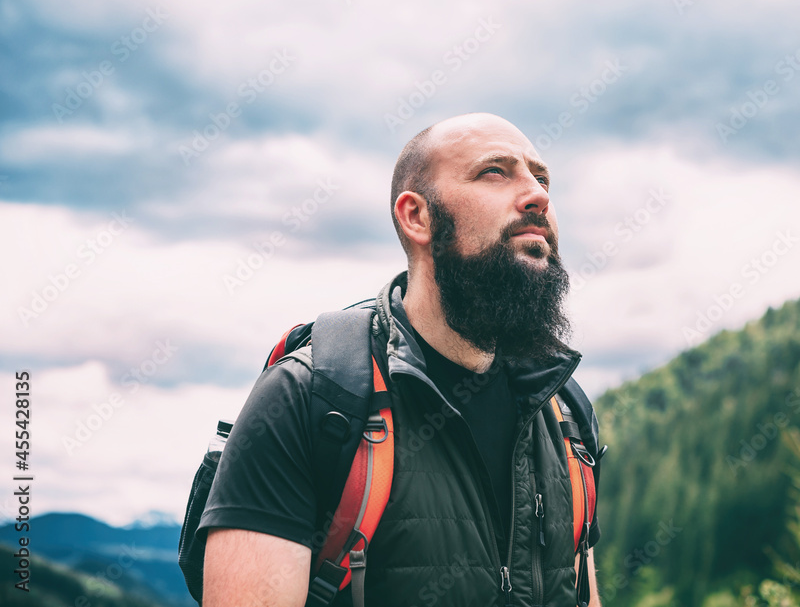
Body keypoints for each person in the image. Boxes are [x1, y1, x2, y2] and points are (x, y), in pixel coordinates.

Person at [199, 113, 603, 606]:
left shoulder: (565, 414)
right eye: (494, 173)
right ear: (417, 217)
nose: (537, 194)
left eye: (541, 179)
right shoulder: (310, 399)